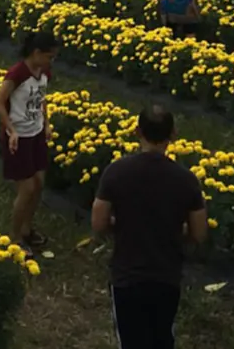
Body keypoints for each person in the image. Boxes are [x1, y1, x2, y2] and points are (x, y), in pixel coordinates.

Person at [92, 105, 207, 349]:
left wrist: (123, 225)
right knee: (162, 338)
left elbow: (98, 222)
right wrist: (172, 229)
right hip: (166, 276)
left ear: (137, 132)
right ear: (173, 135)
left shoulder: (116, 172)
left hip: (127, 276)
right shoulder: (186, 180)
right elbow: (199, 233)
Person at [0, 32, 57, 251]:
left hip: (36, 133)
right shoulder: (17, 74)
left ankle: (27, 230)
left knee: (39, 184)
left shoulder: (44, 72)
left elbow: (41, 99)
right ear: (36, 53)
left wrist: (46, 123)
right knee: (27, 188)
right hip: (18, 136)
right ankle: (15, 237)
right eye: (49, 56)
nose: (51, 61)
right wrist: (11, 130)